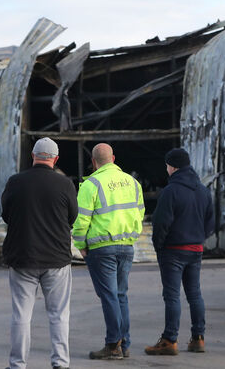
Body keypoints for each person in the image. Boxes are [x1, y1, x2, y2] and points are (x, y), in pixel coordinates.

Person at [1, 138, 78, 369]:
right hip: (57, 259)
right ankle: (60, 363)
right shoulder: (65, 184)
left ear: (33, 156)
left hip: (22, 257)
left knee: (21, 315)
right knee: (59, 315)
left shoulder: (15, 182)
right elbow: (72, 217)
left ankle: (17, 364)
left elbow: (6, 214)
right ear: (56, 159)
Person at [72, 143, 144, 360]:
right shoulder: (133, 182)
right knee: (120, 295)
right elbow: (140, 213)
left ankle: (113, 345)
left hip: (101, 248)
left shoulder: (91, 184)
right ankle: (124, 344)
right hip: (127, 246)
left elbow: (81, 220)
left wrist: (80, 245)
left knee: (109, 296)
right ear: (113, 158)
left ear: (94, 162)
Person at [145, 148, 214, 356]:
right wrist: (199, 238)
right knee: (195, 294)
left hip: (173, 250)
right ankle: (198, 338)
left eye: (167, 165)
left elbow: (161, 223)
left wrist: (159, 246)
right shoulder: (203, 190)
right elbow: (210, 222)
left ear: (173, 166)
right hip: (196, 249)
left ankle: (169, 340)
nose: (166, 169)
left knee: (172, 296)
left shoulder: (170, 191)